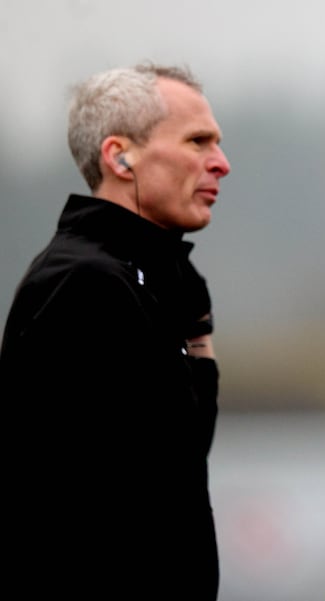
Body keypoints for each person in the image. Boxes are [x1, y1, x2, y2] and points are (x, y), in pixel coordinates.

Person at [1, 63, 231, 600]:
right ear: (119, 156)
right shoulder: (83, 283)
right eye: (198, 142)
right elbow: (92, 510)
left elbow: (176, 465)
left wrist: (194, 325)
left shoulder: (151, 281)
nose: (220, 163)